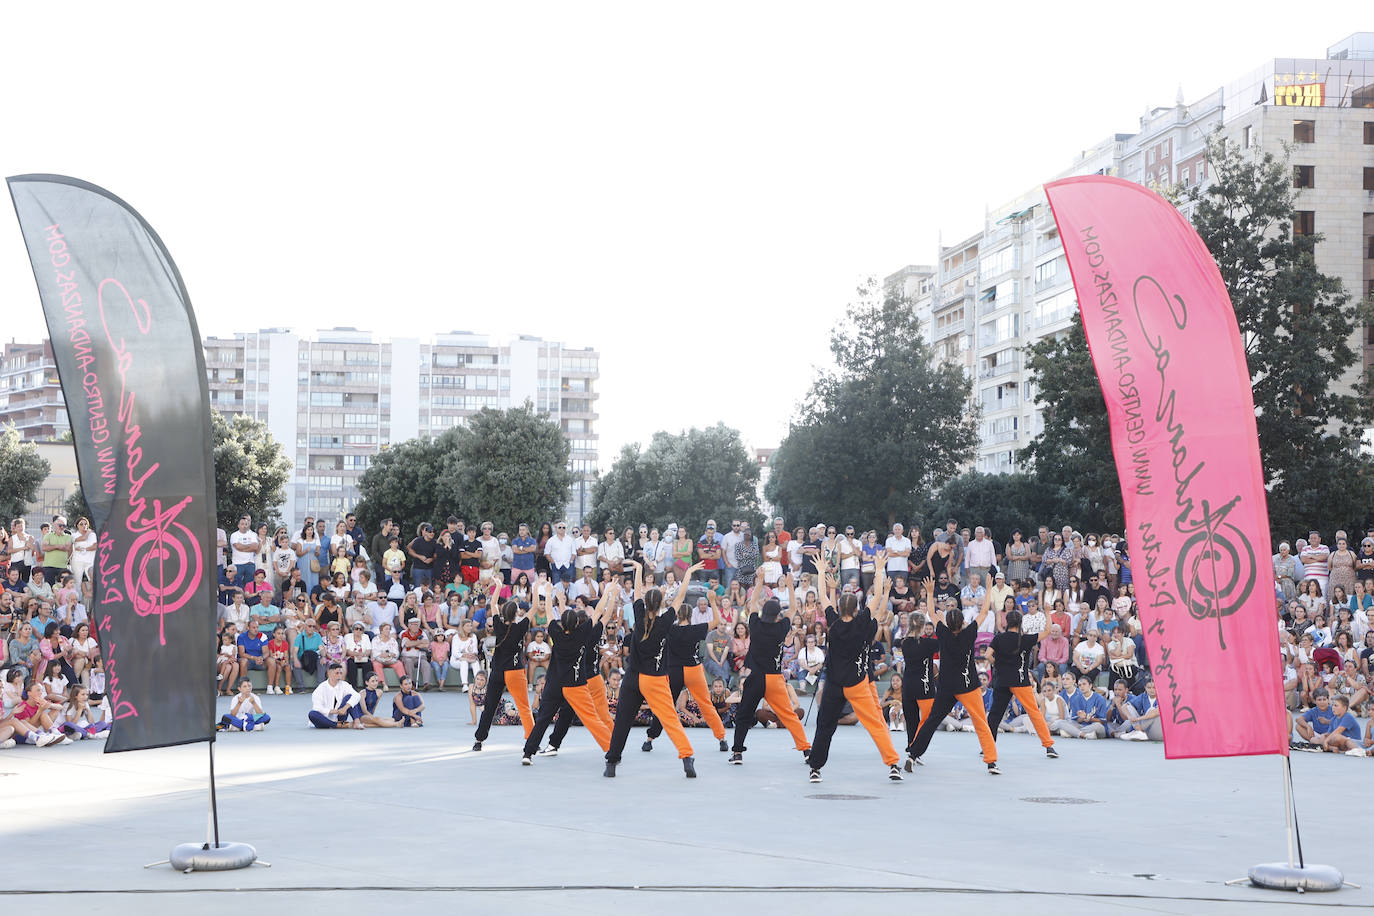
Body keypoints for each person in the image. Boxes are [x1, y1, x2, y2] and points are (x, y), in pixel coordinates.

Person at [804, 556, 902, 783]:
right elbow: (877, 597)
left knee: (824, 726)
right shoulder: (862, 623)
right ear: (857, 608)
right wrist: (878, 569)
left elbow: (822, 597)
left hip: (835, 685)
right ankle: (893, 764)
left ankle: (815, 768)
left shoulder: (834, 624)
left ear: (839, 608)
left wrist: (820, 573)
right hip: (857, 683)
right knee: (876, 725)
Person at [603, 561, 700, 778]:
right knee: (670, 720)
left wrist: (638, 569)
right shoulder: (665, 621)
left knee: (622, 722)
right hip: (654, 679)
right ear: (661, 604)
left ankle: (612, 761)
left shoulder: (639, 615)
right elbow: (680, 597)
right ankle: (686, 758)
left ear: (646, 603)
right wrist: (688, 574)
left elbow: (637, 591)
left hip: (633, 678)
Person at [906, 579, 999, 774]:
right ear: (963, 623)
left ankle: (913, 754)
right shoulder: (969, 633)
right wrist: (989, 589)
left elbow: (931, 614)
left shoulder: (943, 634)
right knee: (981, 723)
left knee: (931, 721)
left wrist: (930, 592)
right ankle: (991, 762)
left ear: (947, 624)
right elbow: (983, 613)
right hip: (968, 686)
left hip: (947, 687)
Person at [728, 568, 812, 766]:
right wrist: (791, 587)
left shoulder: (755, 624)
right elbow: (792, 610)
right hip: (774, 678)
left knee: (744, 715)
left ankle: (738, 753)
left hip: (756, 677)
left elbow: (753, 602)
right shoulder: (781, 627)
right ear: (777, 616)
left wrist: (759, 581)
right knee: (790, 716)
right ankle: (807, 751)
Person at [643, 567, 729, 754]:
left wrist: (663, 596)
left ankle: (650, 738)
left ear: (677, 616)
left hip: (673, 670)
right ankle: (721, 738)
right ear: (690, 616)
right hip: (693, 669)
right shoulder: (696, 629)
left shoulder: (669, 629)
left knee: (666, 706)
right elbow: (717, 622)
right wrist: (713, 602)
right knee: (705, 704)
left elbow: (655, 616)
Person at [984, 608, 1058, 758]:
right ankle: (1048, 746)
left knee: (995, 715)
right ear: (1020, 623)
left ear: (1007, 622)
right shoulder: (1025, 639)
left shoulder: (999, 638)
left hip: (1002, 680)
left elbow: (987, 655)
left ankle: (988, 747)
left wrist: (997, 664)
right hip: (1020, 681)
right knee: (1034, 713)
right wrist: (1048, 612)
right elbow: (1048, 630)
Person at [473, 582, 535, 750]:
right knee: (524, 707)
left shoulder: (498, 625)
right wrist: (536, 588)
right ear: (516, 614)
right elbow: (535, 607)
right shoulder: (521, 627)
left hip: (498, 671)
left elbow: (492, 603)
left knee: (490, 706)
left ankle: (479, 740)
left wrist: (498, 586)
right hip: (514, 671)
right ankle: (531, 741)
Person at [308, 663, 363, 728]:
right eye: (337, 673)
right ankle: (337, 725)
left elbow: (357, 695)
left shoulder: (344, 684)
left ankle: (357, 722)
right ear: (329, 673)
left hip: (340, 716)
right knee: (312, 714)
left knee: (351, 697)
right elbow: (317, 707)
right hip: (324, 719)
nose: (339, 675)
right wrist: (334, 711)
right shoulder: (321, 688)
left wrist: (344, 708)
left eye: (341, 673)